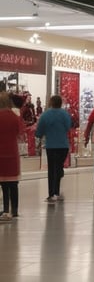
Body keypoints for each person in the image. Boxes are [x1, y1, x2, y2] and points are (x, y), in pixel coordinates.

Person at [35, 95, 72, 203]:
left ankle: (51, 194)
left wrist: (41, 136)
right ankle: (57, 190)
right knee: (58, 167)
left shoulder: (45, 115)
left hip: (51, 146)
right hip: (63, 146)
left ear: (51, 102)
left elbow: (39, 131)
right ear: (61, 103)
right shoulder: (65, 114)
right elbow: (68, 127)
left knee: (51, 169)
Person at [0, 92, 25, 221]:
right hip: (12, 152)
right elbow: (20, 134)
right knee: (13, 184)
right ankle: (14, 210)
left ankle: (5, 210)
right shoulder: (15, 117)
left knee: (3, 184)